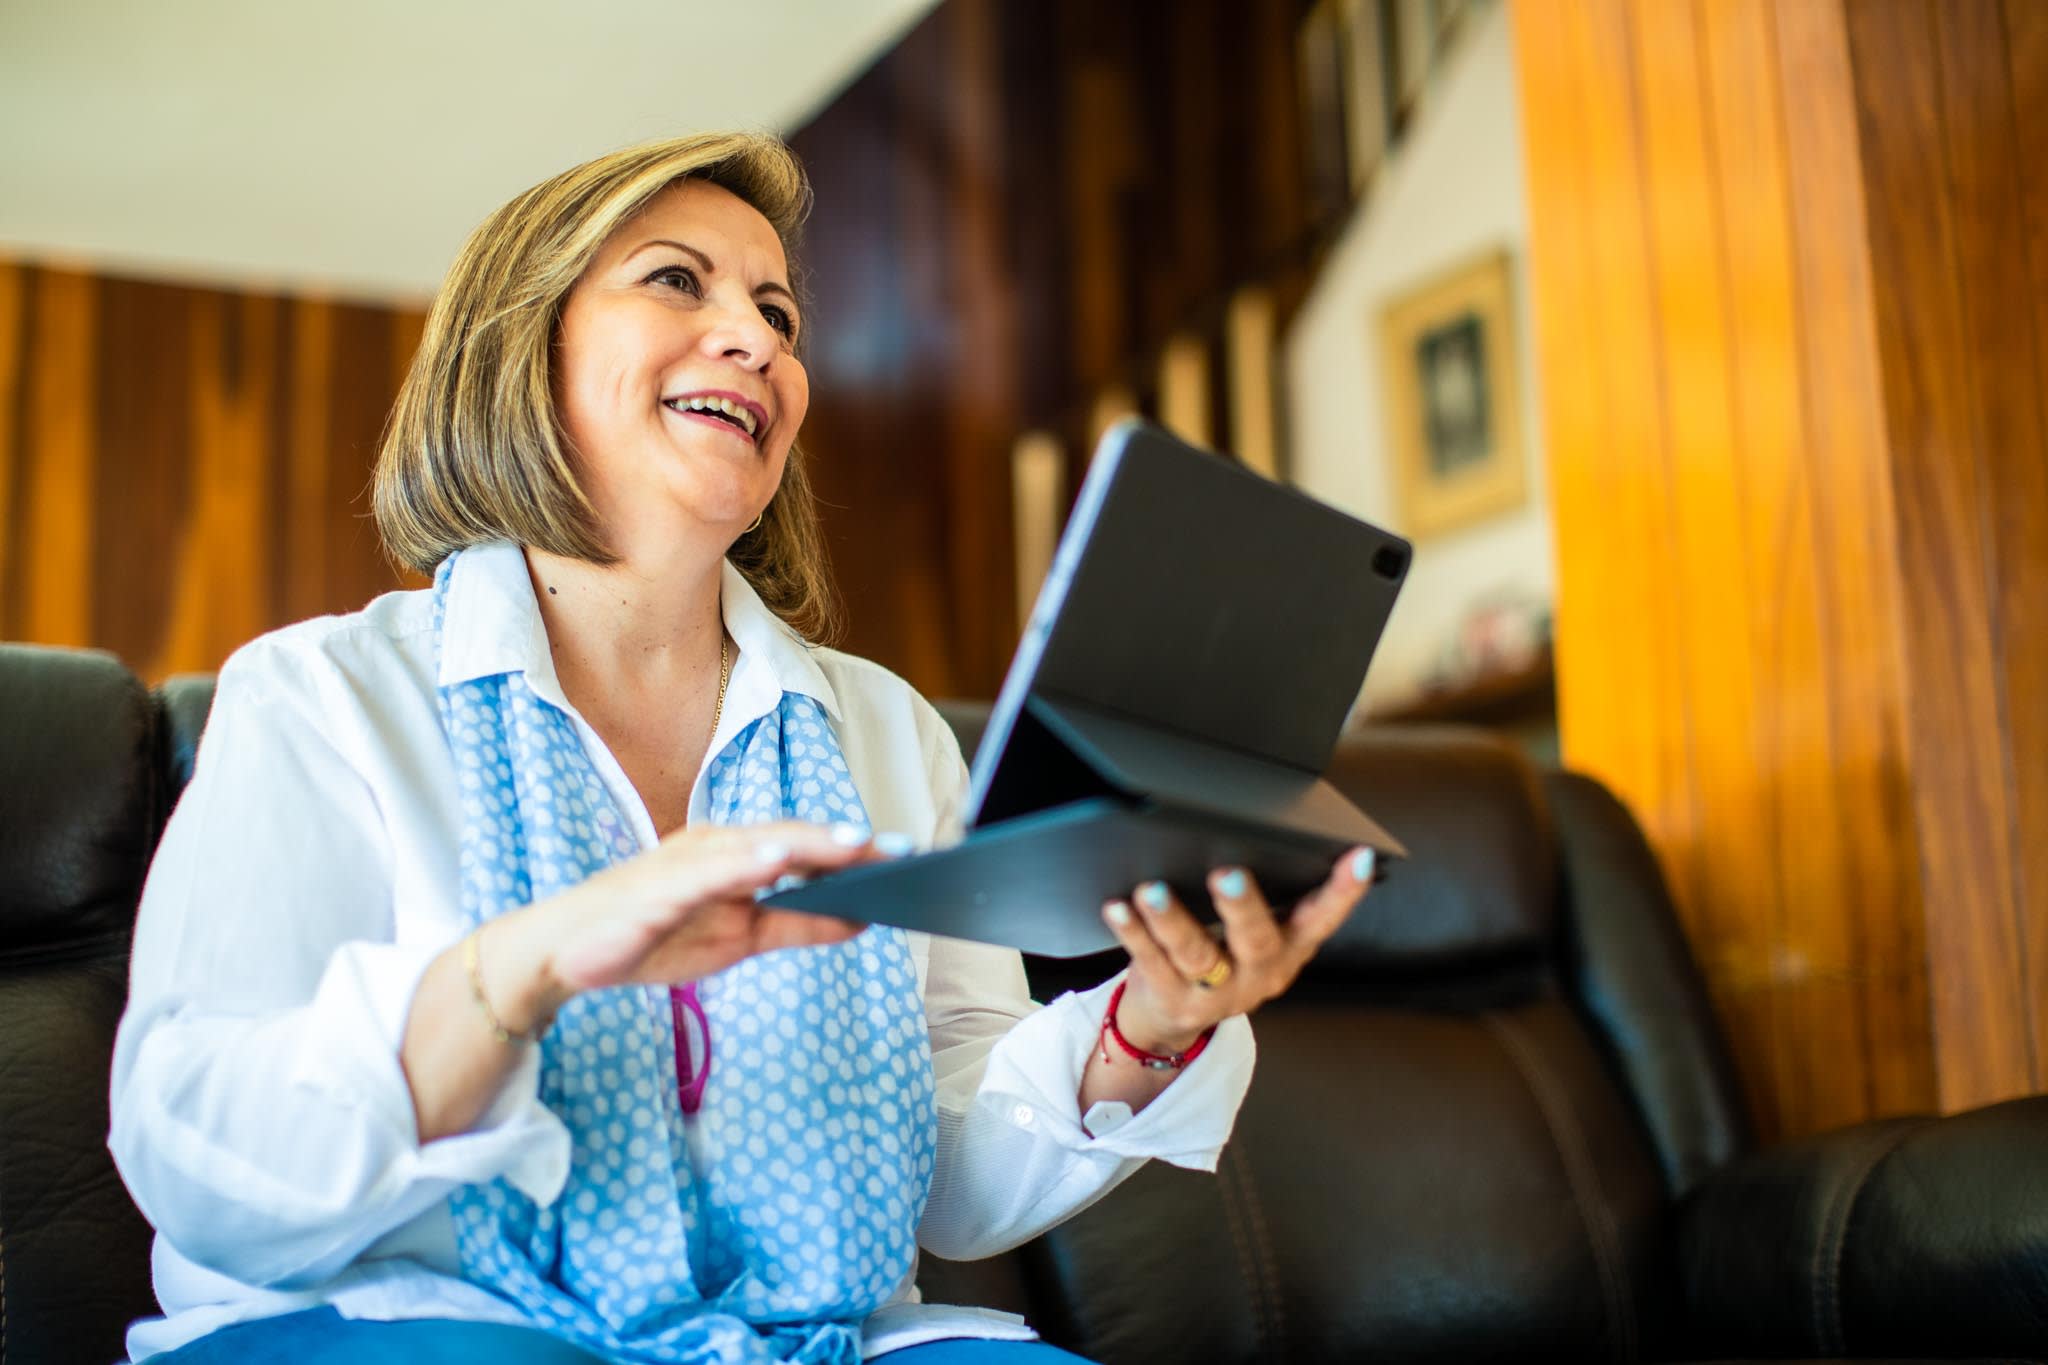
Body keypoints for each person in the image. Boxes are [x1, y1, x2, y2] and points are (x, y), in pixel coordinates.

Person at [108, 131, 1377, 1365]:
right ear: (519, 348)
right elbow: (195, 1154)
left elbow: (945, 1183)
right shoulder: (323, 695)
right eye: (677, 279)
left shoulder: (885, 732)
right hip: (412, 1322)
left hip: (822, 1341)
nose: (757, 338)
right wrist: (521, 966)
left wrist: (1145, 1028)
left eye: (779, 314)